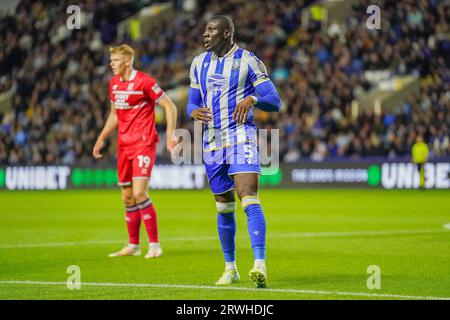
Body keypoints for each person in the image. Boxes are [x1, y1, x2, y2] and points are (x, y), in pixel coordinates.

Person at [186, 16, 281, 288]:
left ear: (226, 33)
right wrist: (192, 110)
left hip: (241, 137)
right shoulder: (198, 63)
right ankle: (231, 269)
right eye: (204, 30)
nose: (205, 35)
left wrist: (253, 99)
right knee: (223, 207)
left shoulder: (248, 61)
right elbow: (192, 102)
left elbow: (275, 101)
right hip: (212, 143)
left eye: (211, 30)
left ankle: (260, 264)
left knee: (248, 196)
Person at [93, 44, 178, 258]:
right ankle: (133, 245)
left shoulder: (145, 82)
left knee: (140, 192)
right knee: (127, 197)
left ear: (127, 61)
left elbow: (170, 106)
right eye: (111, 60)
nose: (111, 64)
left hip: (143, 142)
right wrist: (102, 137)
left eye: (115, 60)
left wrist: (170, 135)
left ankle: (155, 245)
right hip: (123, 145)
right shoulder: (113, 84)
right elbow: (114, 114)